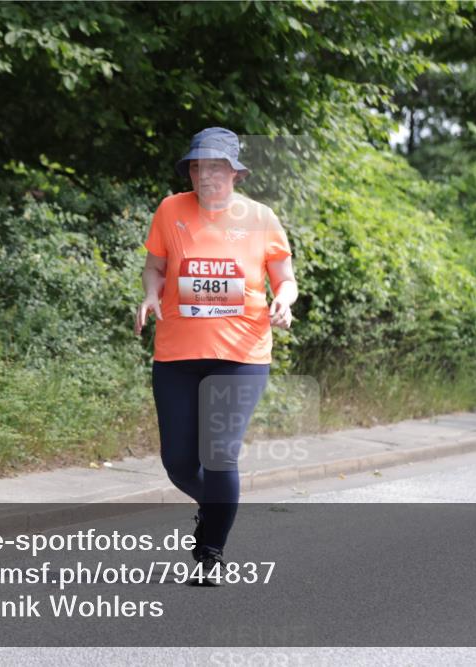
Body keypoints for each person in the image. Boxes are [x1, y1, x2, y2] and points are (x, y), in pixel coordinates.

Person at [134, 127, 298, 585]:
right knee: (179, 464)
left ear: (235, 173)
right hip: (177, 353)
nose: (205, 176)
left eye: (215, 167)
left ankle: (210, 554)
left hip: (241, 353)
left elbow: (285, 278)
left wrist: (284, 300)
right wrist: (150, 295)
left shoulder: (261, 217)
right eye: (197, 166)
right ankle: (215, 507)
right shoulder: (170, 210)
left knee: (221, 454)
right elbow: (155, 268)